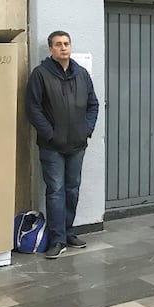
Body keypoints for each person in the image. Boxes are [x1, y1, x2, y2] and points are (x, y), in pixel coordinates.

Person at [25, 30, 99, 259]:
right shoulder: (40, 74)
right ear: (51, 49)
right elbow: (33, 109)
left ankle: (68, 232)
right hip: (52, 147)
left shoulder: (82, 74)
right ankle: (56, 239)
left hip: (77, 145)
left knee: (72, 189)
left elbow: (93, 105)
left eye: (66, 43)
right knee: (55, 191)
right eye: (58, 44)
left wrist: (86, 130)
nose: (63, 48)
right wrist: (50, 134)